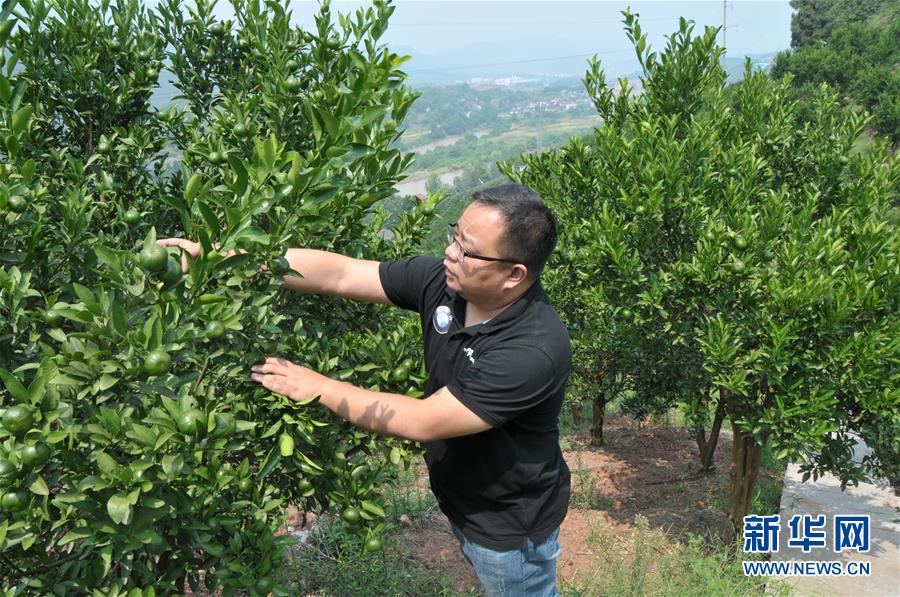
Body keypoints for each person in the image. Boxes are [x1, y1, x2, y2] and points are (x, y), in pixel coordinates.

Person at [159, 183, 572, 596]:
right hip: (464, 495)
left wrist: (317, 386)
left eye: (467, 251)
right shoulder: (444, 284)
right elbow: (342, 273)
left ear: (514, 273)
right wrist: (223, 258)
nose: (450, 252)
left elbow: (423, 420)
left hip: (509, 523)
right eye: (454, 236)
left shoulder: (531, 349)